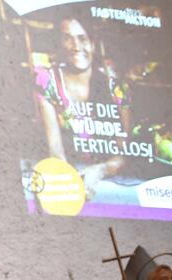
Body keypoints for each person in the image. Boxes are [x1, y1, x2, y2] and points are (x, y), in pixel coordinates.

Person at [35, 12, 131, 199]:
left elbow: (123, 155)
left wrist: (99, 170)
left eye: (82, 38)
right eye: (67, 39)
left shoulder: (116, 88)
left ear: (93, 44)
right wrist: (73, 183)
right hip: (66, 178)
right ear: (59, 44)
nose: (76, 46)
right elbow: (56, 153)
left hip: (109, 181)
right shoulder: (47, 82)